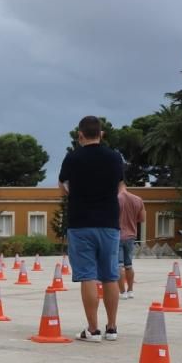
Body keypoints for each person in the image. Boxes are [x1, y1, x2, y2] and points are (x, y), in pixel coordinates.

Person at [58, 115, 124, 342]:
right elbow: (119, 186)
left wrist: (77, 194)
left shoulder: (72, 158)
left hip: (80, 222)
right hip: (109, 222)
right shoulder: (115, 158)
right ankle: (112, 327)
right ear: (102, 134)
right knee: (110, 275)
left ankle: (93, 329)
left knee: (87, 275)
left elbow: (62, 185)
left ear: (80, 135)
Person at [117, 184, 145, 299]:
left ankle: (122, 292)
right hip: (131, 236)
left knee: (119, 265)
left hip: (117, 235)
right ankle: (130, 290)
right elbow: (142, 219)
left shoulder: (115, 199)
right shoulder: (138, 199)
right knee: (129, 265)